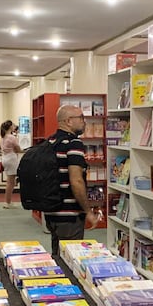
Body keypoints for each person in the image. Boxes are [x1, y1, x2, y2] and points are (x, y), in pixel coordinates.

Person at [44, 104, 99, 260]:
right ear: (68, 121)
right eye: (81, 117)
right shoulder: (74, 144)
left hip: (51, 210)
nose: (84, 121)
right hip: (69, 214)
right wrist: (88, 211)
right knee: (71, 259)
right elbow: (76, 181)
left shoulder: (50, 142)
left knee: (57, 256)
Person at [0, 119, 23, 208]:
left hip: (5, 158)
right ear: (10, 127)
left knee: (10, 182)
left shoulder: (3, 137)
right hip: (11, 159)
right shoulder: (12, 137)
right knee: (10, 182)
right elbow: (18, 149)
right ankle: (7, 202)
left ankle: (8, 201)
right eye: (13, 125)